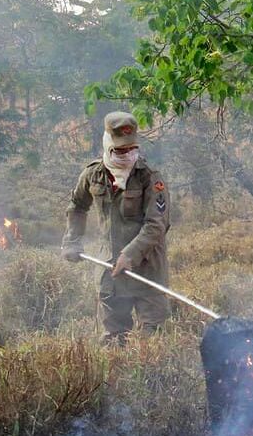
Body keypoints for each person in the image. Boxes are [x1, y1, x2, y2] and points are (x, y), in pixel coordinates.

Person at [61, 111, 171, 344]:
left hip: (148, 270)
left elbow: (156, 224)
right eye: (120, 150)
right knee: (114, 340)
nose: (127, 155)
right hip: (110, 271)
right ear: (107, 144)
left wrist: (130, 254)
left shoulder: (151, 178)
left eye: (131, 149)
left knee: (154, 341)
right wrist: (72, 240)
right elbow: (77, 206)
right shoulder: (93, 175)